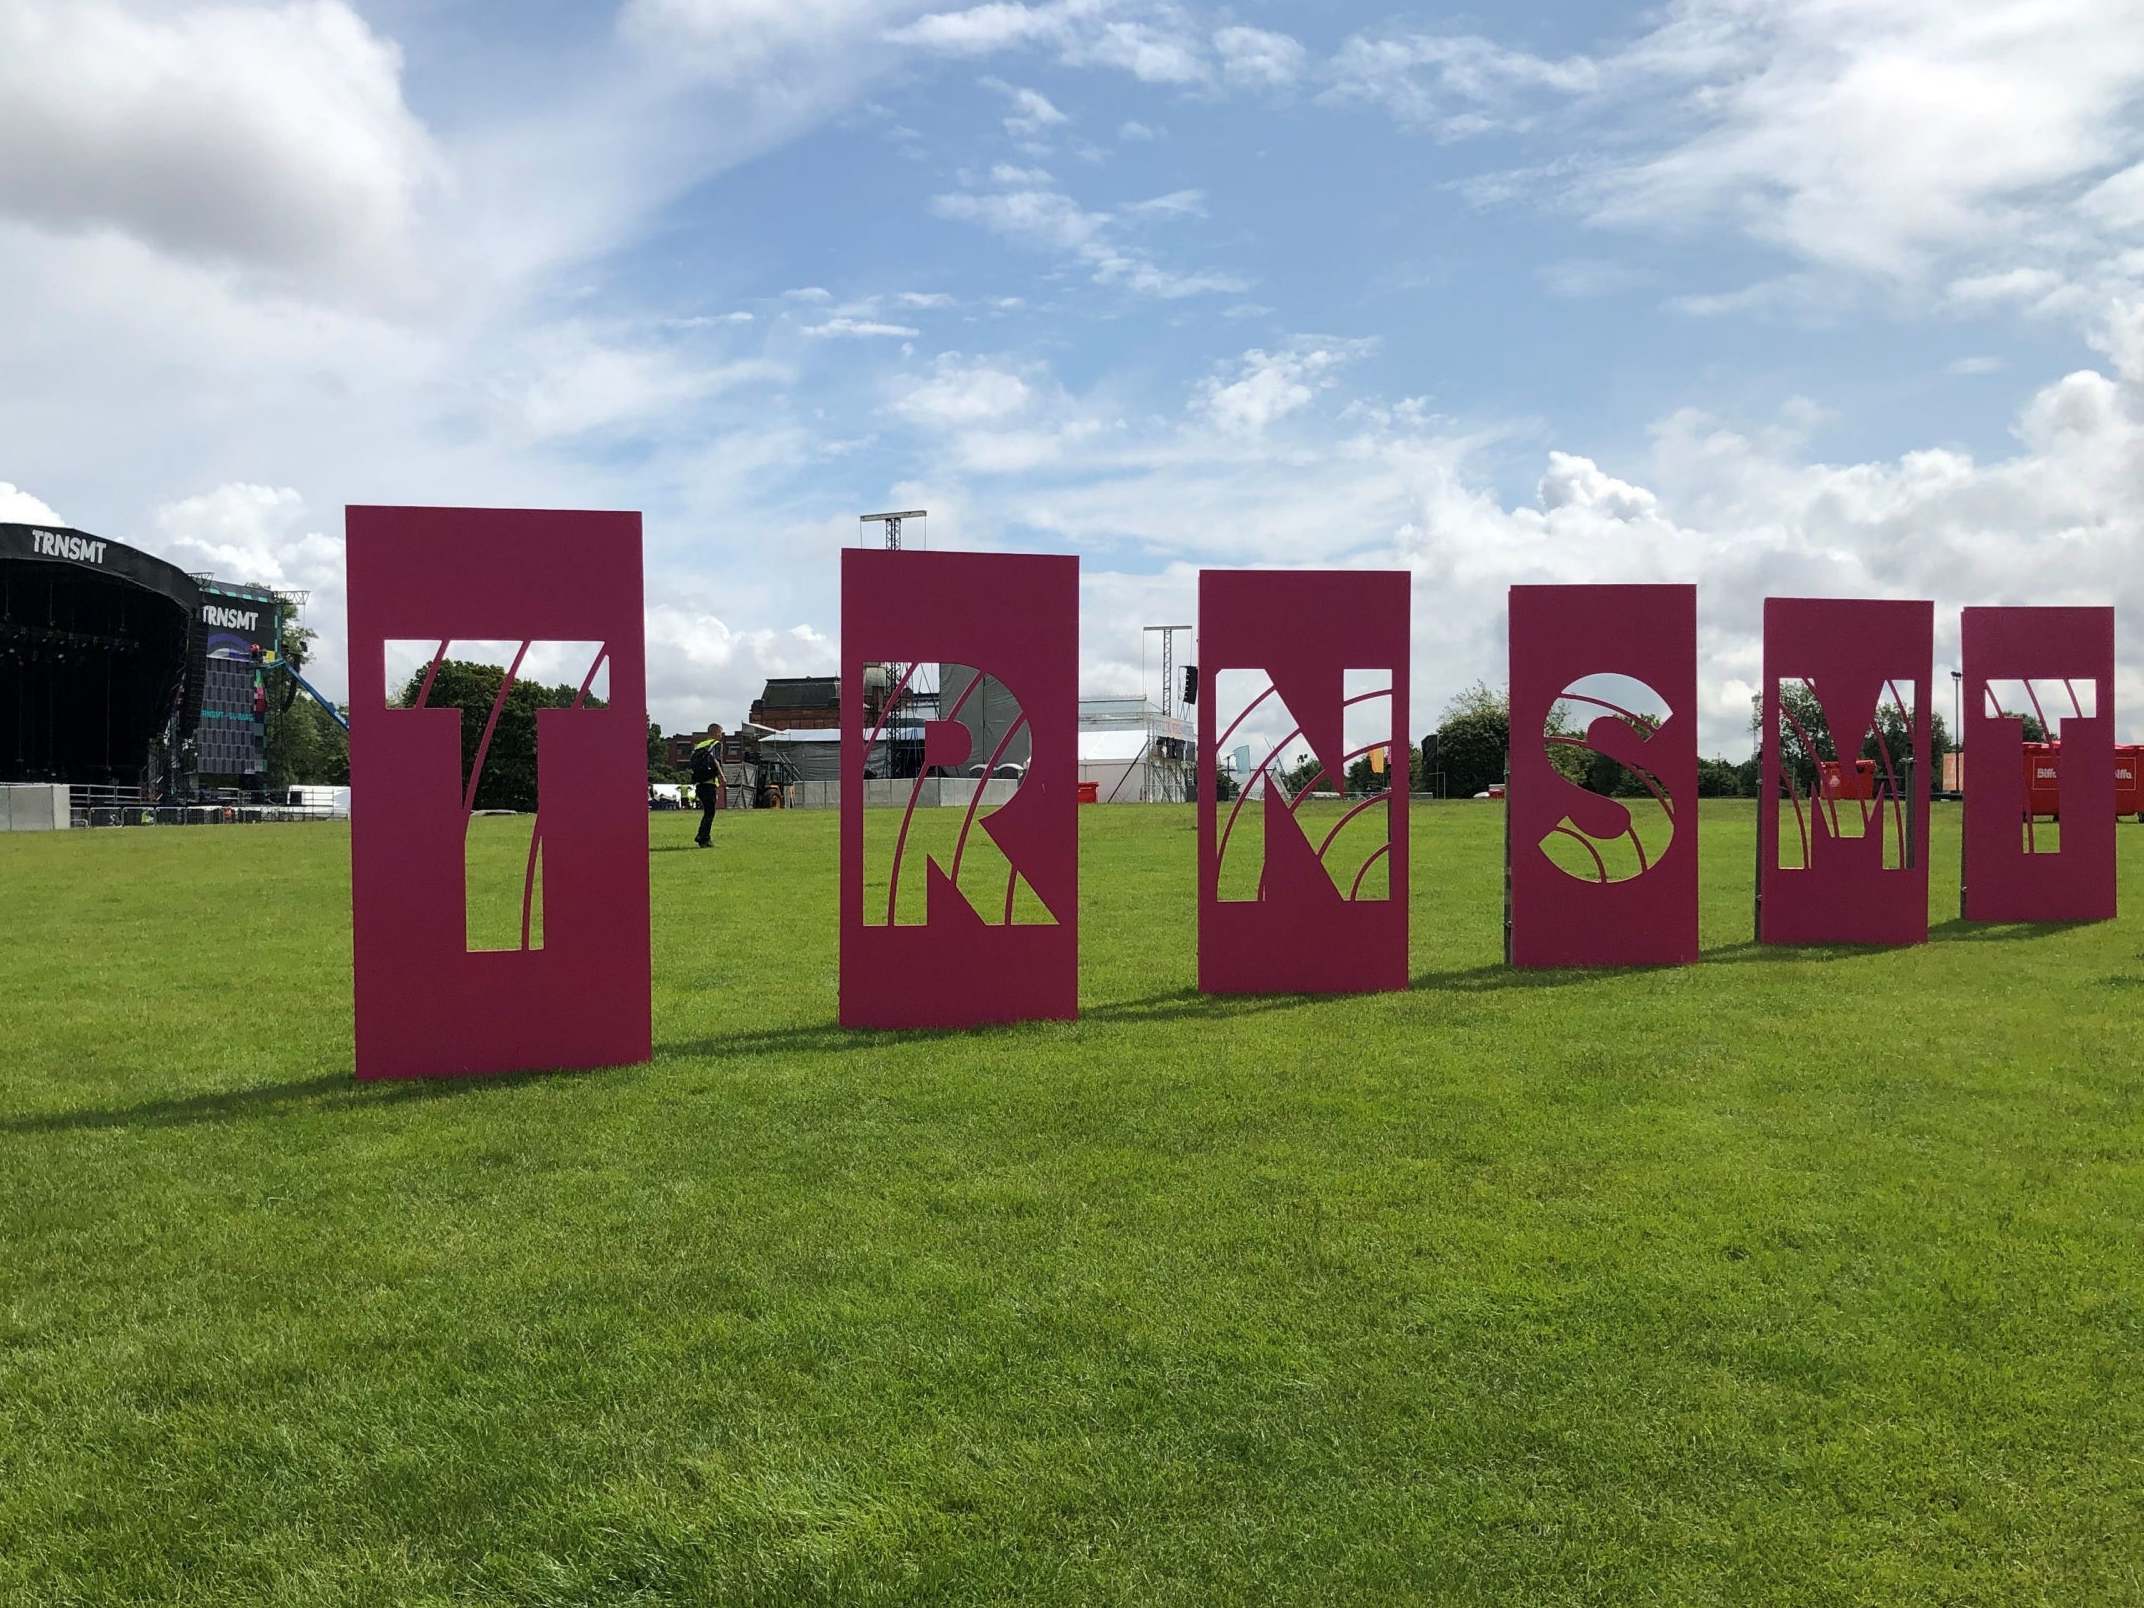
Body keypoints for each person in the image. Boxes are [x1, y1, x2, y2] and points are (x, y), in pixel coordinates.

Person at [689, 725, 723, 848]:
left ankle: (704, 836)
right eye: (720, 733)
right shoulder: (715, 744)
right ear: (715, 733)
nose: (721, 736)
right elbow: (716, 761)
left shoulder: (700, 745)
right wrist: (722, 777)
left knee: (708, 812)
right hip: (709, 783)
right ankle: (702, 837)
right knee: (710, 812)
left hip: (699, 783)